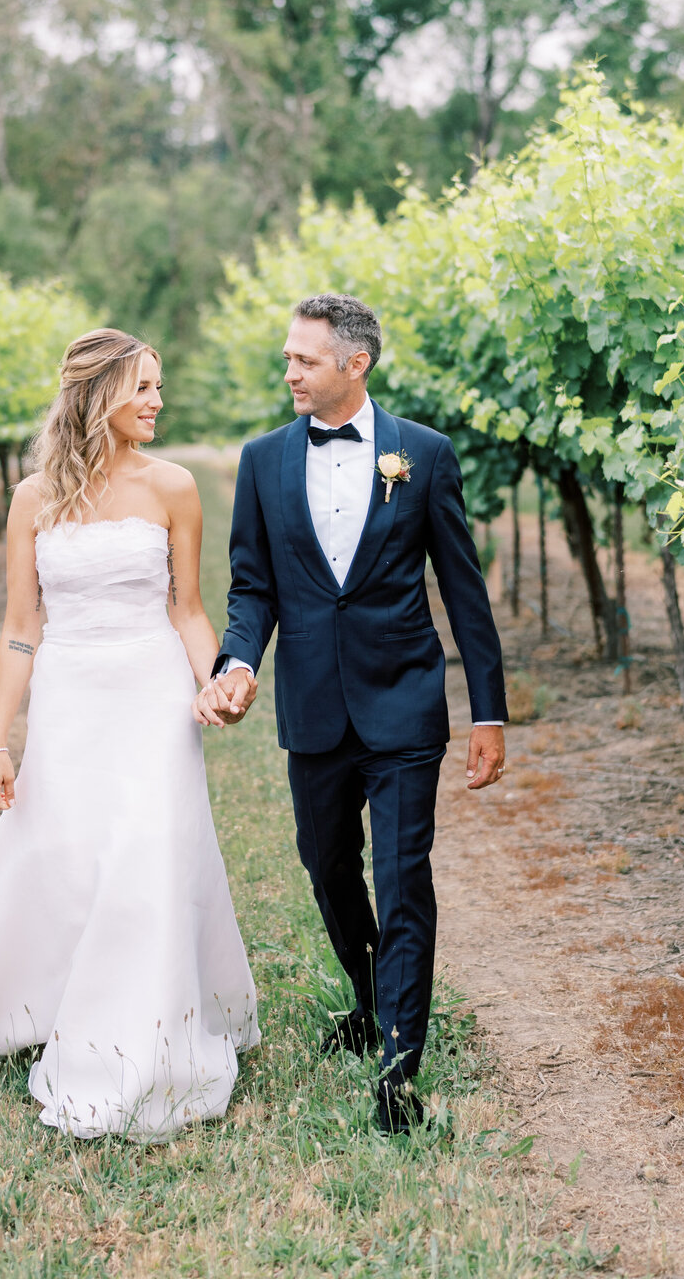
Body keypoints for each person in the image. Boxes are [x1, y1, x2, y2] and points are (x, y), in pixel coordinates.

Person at [0, 329, 258, 1139]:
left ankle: (135, 1034)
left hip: (151, 691)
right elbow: (19, 627)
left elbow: (184, 608)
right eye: (143, 387)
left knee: (148, 852)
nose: (156, 401)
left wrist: (216, 677)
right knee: (59, 852)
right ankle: (34, 998)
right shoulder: (31, 498)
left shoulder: (174, 487)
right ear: (98, 393)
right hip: (71, 693)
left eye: (158, 385)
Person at [195, 294, 506, 1135]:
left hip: (405, 703)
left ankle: (399, 1069)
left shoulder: (425, 456)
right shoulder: (261, 461)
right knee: (328, 868)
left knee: (404, 882)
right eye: (288, 358)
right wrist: (233, 663)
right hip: (313, 707)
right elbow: (252, 586)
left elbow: (465, 593)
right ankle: (371, 1002)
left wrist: (490, 713)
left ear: (354, 364)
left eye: (303, 359)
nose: (288, 371)